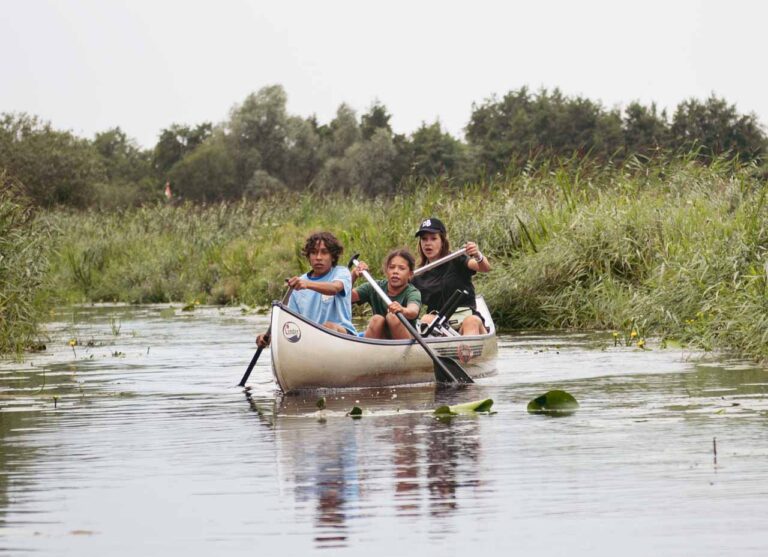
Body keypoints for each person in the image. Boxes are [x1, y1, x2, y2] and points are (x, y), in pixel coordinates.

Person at [257, 231, 355, 347]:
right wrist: (269, 336)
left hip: (344, 335)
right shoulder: (298, 285)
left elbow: (335, 288)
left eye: (324, 253)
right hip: (311, 340)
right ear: (308, 256)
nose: (318, 257)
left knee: (328, 326)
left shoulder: (341, 272)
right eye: (313, 253)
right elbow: (291, 324)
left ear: (332, 257)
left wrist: (307, 284)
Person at [411, 217, 491, 336]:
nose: (428, 243)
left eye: (433, 238)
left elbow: (484, 268)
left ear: (442, 241)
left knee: (471, 322)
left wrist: (477, 255)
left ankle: (466, 351)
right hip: (438, 322)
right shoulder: (418, 274)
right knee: (426, 319)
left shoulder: (457, 259)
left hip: (467, 317)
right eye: (424, 239)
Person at [351, 249, 422, 339]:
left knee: (392, 317)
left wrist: (402, 310)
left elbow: (413, 311)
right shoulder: (374, 286)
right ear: (386, 271)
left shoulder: (412, 292)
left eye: (401, 268)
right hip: (381, 339)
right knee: (377, 319)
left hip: (406, 339)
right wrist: (353, 276)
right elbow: (346, 297)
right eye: (392, 267)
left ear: (410, 274)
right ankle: (367, 350)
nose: (395, 271)